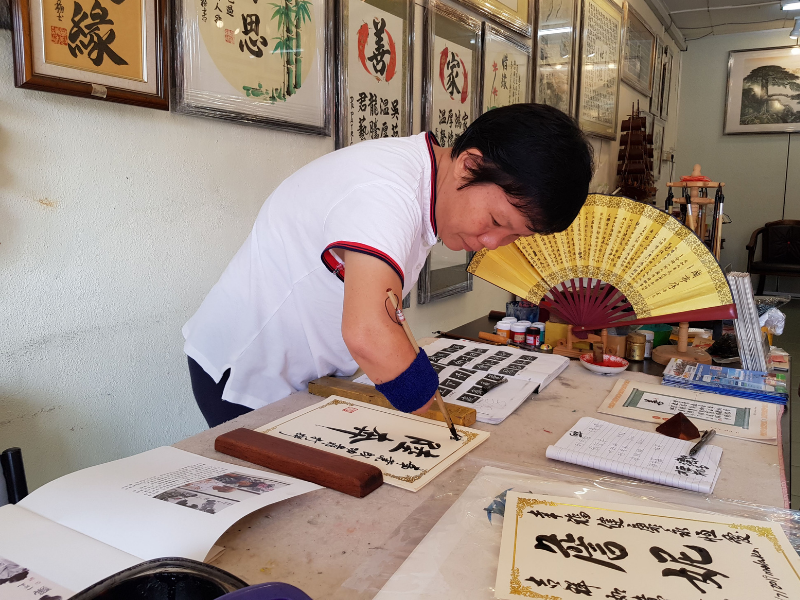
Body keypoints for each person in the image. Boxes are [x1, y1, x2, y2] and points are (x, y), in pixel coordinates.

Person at [183, 104, 594, 427]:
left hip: (310, 371)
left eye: (515, 236)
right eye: (497, 223)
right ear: (469, 165)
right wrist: (439, 424)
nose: (492, 244)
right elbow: (369, 332)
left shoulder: (425, 182)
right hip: (247, 370)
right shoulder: (386, 192)